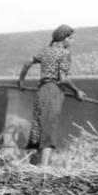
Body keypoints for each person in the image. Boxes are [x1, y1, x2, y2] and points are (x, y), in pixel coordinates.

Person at [17, 24, 86, 166]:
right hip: (53, 90)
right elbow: (64, 79)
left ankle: (31, 165)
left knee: (37, 126)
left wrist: (21, 81)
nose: (72, 42)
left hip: (41, 90)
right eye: (71, 39)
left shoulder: (46, 51)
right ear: (63, 39)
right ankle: (44, 169)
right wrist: (76, 91)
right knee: (49, 126)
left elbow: (27, 63)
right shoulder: (64, 53)